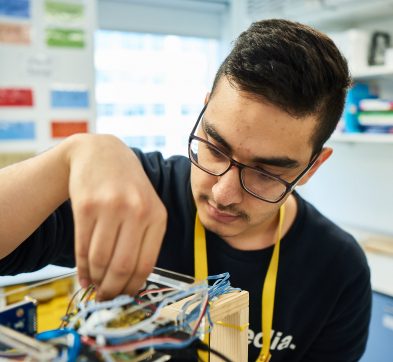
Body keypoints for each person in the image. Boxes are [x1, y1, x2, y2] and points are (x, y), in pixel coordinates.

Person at [0, 19, 371, 361]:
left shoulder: (338, 269)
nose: (224, 193)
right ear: (204, 110)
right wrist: (69, 156)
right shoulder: (137, 192)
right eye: (215, 148)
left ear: (312, 166)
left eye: (265, 173)